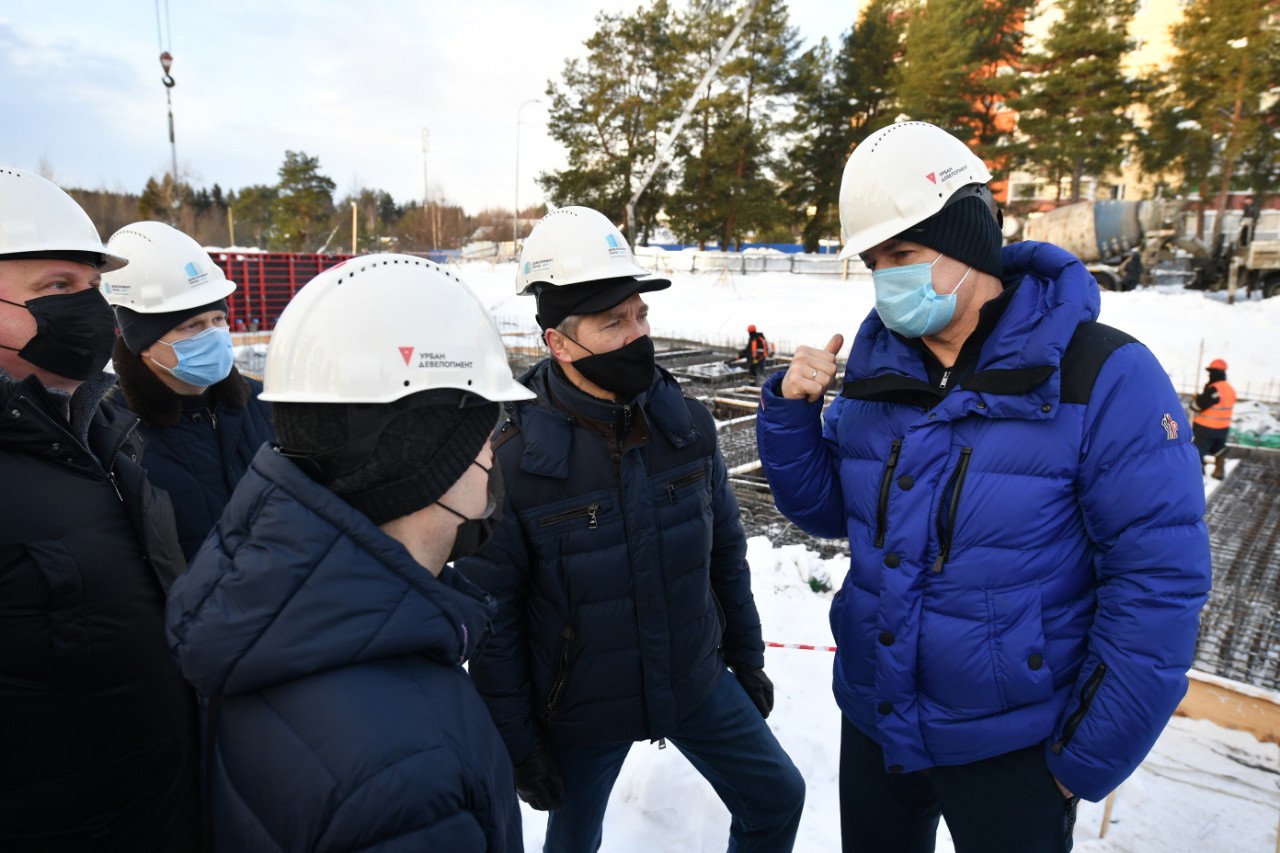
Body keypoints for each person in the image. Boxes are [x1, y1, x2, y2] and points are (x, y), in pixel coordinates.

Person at [755, 122, 1211, 853]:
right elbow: (827, 509)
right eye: (874, 261)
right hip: (877, 723)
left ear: (967, 240)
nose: (886, 280)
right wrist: (790, 415)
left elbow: (1158, 584)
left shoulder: (1105, 377)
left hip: (1014, 749)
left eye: (902, 253)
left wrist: (1076, 764)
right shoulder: (881, 370)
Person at [457, 206, 805, 853]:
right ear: (558, 342)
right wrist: (521, 742)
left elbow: (726, 553)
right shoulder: (515, 458)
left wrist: (746, 659)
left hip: (692, 676)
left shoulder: (687, 426)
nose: (636, 336)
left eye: (640, 316)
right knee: (572, 839)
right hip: (582, 705)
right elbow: (494, 617)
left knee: (778, 795)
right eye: (612, 322)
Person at [164, 255, 528, 851]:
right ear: (428, 459)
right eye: (489, 435)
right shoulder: (411, 770)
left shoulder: (266, 618)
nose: (496, 460)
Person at [0, 167, 199, 849]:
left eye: (92, 288)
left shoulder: (101, 427)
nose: (89, 312)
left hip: (165, 805)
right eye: (57, 289)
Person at [102, 221, 273, 560]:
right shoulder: (115, 434)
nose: (213, 334)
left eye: (218, 320)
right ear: (144, 343)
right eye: (192, 326)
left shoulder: (262, 404)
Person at [1190, 357, 1236, 480]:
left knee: (1197, 451)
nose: (1209, 375)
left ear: (1215, 373)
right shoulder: (1229, 389)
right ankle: (1219, 470)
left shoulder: (1214, 389)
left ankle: (1197, 476)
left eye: (1211, 372)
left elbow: (1197, 406)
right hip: (1223, 428)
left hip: (1207, 427)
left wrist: (1196, 400)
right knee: (1218, 448)